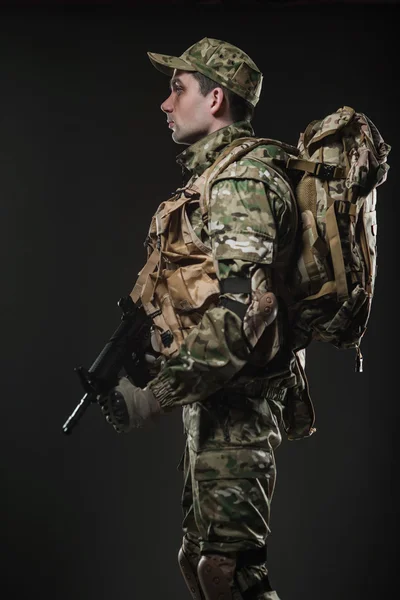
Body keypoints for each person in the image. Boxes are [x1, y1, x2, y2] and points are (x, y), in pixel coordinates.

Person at [99, 37, 315, 600]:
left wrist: (154, 395)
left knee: (231, 573)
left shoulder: (242, 182)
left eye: (178, 89)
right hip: (213, 408)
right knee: (199, 564)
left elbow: (246, 314)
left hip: (239, 412)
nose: (166, 104)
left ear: (215, 98)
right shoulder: (212, 178)